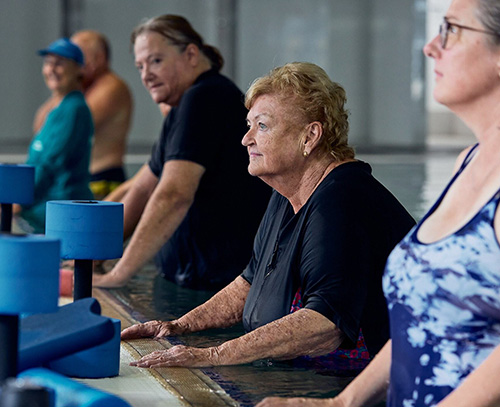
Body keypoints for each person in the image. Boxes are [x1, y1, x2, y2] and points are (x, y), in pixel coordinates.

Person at [256, 0, 500, 406]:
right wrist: (340, 404)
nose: (430, 47)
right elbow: (421, 325)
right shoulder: (468, 163)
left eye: (452, 30)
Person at [120, 62, 415, 370]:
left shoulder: (341, 200)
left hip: (385, 376)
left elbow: (325, 325)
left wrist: (212, 355)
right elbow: (248, 283)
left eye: (261, 126)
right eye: (249, 125)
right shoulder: (285, 193)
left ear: (310, 136)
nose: (246, 139)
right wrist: (179, 326)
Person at [92, 15, 271, 290]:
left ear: (190, 54)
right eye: (140, 66)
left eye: (156, 60)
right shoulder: (183, 106)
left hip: (215, 284)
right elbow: (141, 189)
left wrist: (119, 274)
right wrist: (96, 256)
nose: (145, 74)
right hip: (194, 279)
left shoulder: (205, 98)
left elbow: (173, 194)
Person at [18, 38, 93, 233]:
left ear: (78, 69)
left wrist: (20, 201)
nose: (51, 69)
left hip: (60, 214)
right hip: (42, 214)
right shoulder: (56, 110)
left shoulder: (74, 109)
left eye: (59, 63)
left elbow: (51, 163)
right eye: (48, 63)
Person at [68, 30, 132, 199]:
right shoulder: (81, 91)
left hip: (104, 179)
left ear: (99, 58)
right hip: (87, 178)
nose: (73, 65)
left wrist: (69, 82)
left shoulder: (112, 87)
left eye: (78, 58)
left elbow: (71, 126)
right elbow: (42, 125)